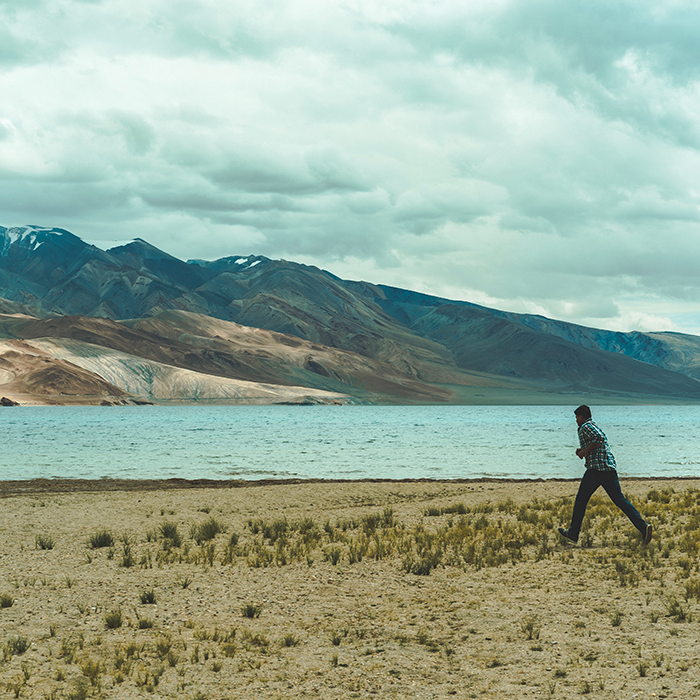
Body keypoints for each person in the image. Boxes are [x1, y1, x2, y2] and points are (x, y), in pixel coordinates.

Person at [558, 405, 652, 545]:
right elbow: (597, 442)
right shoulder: (592, 425)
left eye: (577, 417)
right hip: (609, 469)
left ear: (582, 417)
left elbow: (599, 438)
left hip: (596, 470)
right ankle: (643, 527)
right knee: (620, 500)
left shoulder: (586, 426)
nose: (576, 420)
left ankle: (573, 533)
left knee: (581, 500)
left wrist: (584, 452)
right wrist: (583, 450)